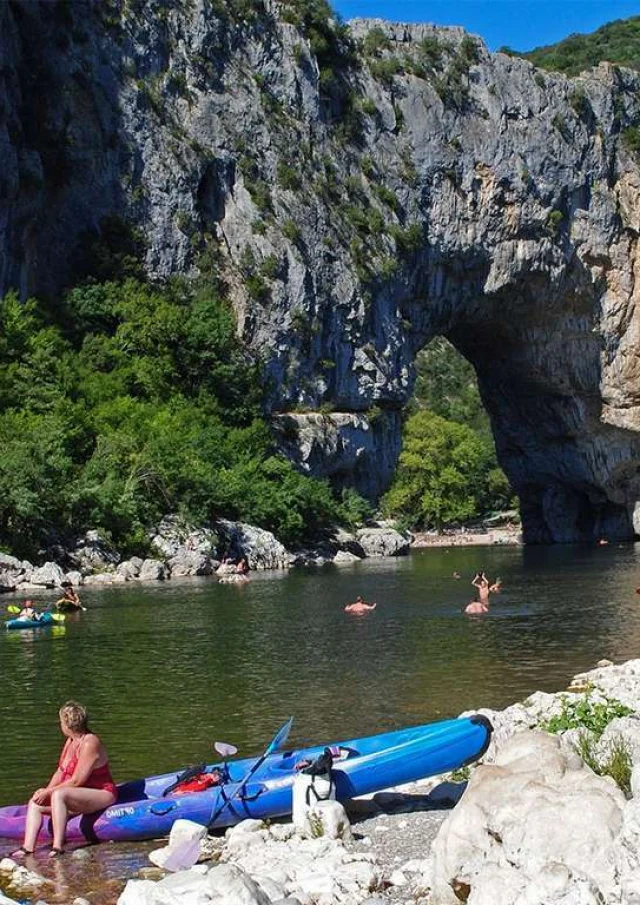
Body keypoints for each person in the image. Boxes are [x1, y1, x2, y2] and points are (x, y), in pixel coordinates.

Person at [11, 701, 117, 858]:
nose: (60, 725)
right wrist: (45, 791)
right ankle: (27, 848)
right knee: (35, 802)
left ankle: (58, 846)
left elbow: (77, 781)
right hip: (78, 795)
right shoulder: (71, 741)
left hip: (102, 793)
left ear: (67, 724)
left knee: (59, 794)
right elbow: (61, 771)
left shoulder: (90, 742)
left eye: (61, 722)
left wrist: (50, 793)